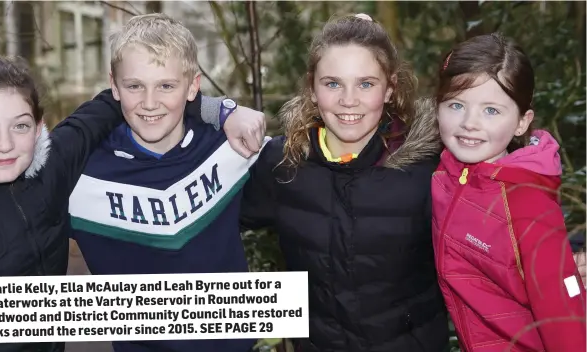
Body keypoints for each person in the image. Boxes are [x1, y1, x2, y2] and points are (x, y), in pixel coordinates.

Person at [0, 48, 263, 351]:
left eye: (20, 124)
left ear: (39, 128)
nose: (4, 143)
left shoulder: (55, 167)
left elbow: (127, 97)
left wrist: (224, 111)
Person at [239, 14, 449, 351]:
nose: (348, 100)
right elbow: (206, 219)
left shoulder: (429, 166)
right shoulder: (283, 164)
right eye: (332, 83)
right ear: (312, 87)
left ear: (390, 88)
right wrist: (217, 111)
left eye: (366, 83)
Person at [66, 14, 263, 352]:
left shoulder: (233, 148)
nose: (150, 102)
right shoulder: (80, 174)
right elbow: (3, 212)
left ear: (193, 86)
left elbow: (319, 183)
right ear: (114, 86)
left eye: (166, 86)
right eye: (134, 86)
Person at [431, 33, 586, 351]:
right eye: (456, 105)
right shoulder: (443, 173)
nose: (469, 123)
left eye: (491, 110)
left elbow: (563, 319)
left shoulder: (526, 202)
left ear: (521, 122)